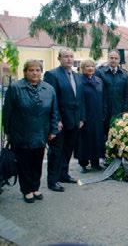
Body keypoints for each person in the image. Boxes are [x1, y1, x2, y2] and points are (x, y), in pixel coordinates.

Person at [2, 60, 59, 203]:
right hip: (21, 133)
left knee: (37, 162)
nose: (35, 73)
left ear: (41, 72)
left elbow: (54, 112)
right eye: (31, 70)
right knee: (23, 164)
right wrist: (8, 131)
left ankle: (35, 187)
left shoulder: (49, 89)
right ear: (25, 72)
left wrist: (53, 130)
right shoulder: (15, 88)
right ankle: (26, 190)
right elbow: (7, 112)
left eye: (38, 70)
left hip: (41, 133)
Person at [44, 48, 85, 192]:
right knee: (56, 151)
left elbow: (80, 99)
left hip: (74, 120)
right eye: (65, 56)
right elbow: (51, 100)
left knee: (68, 150)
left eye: (71, 56)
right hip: (60, 121)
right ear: (59, 58)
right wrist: (57, 120)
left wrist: (81, 118)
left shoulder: (77, 76)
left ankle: (63, 174)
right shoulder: (52, 75)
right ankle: (52, 181)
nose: (69, 59)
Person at [75, 60, 105, 173]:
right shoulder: (79, 81)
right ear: (82, 68)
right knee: (84, 140)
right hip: (85, 116)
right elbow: (79, 100)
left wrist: (103, 113)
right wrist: (81, 117)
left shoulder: (99, 81)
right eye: (87, 66)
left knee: (96, 139)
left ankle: (95, 163)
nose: (90, 68)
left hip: (97, 116)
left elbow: (103, 98)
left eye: (92, 66)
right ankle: (83, 164)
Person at [95, 50, 128, 135]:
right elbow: (96, 93)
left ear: (119, 60)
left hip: (118, 109)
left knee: (117, 133)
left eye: (116, 58)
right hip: (104, 109)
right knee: (103, 133)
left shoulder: (124, 74)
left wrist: (125, 109)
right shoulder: (100, 72)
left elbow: (126, 94)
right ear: (108, 59)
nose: (113, 60)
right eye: (111, 58)